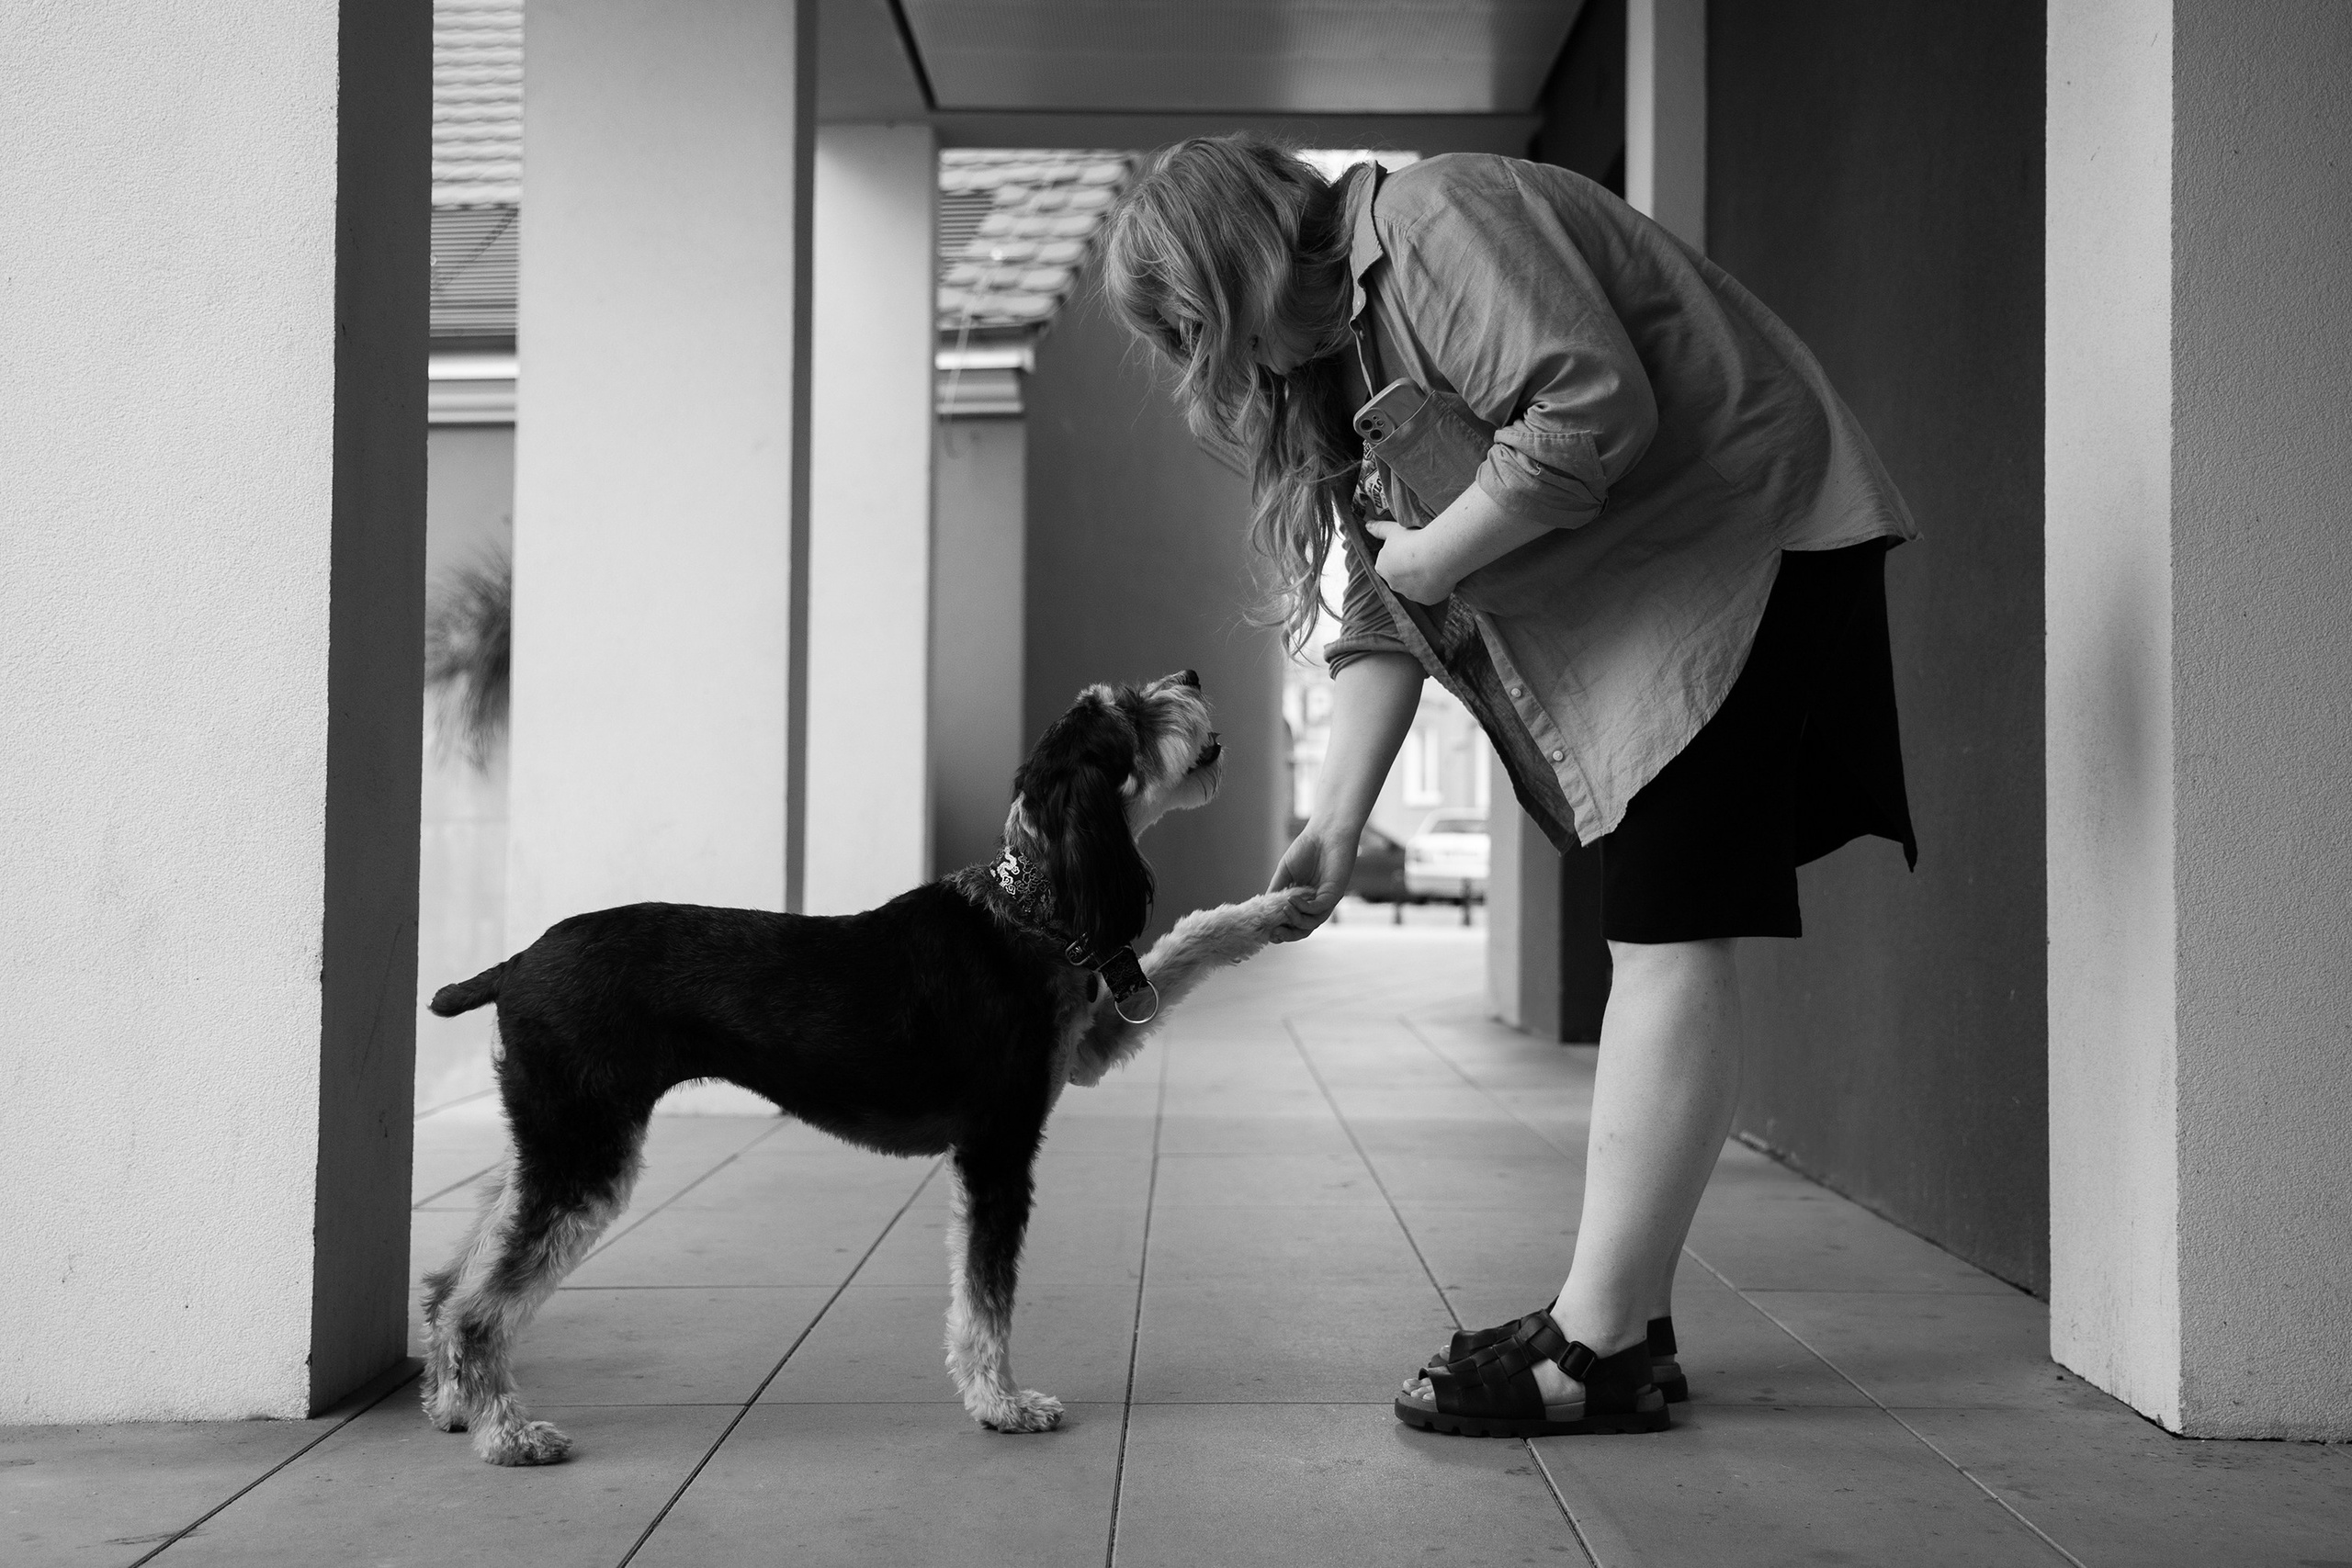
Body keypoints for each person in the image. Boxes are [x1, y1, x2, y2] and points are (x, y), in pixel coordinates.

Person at [1099, 137, 1917, 1438]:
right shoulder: (1340, 355)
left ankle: (1593, 1347)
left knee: (1662, 931)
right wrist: (1334, 819)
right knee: (1657, 925)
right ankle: (1627, 1330)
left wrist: (1437, 552)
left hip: (1742, 535)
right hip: (1662, 578)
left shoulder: (1434, 222)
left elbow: (1590, 410)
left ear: (1241, 251)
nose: (1221, 366)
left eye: (1203, 323)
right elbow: (1384, 595)